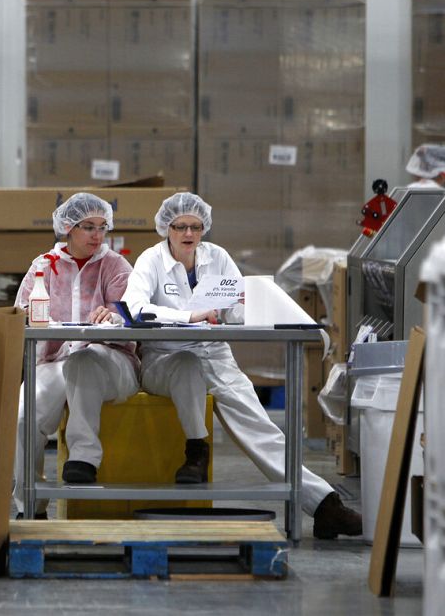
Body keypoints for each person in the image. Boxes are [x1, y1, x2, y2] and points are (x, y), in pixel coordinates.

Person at [122, 192, 362, 539]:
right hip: (167, 357)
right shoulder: (150, 261)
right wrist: (188, 315)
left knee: (260, 429)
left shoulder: (217, 257)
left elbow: (237, 305)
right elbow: (134, 306)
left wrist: (242, 306)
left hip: (215, 355)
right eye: (180, 226)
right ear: (166, 229)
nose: (189, 233)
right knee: (187, 365)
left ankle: (325, 505)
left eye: (196, 226)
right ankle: (196, 453)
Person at [12, 192, 140, 518]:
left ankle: (83, 458)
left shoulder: (115, 265)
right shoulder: (44, 265)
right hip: (55, 361)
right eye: (88, 227)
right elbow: (20, 312)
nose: (97, 236)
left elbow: (133, 311)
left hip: (110, 361)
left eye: (102, 227)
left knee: (84, 361)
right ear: (68, 227)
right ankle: (31, 508)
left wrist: (113, 316)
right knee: (24, 415)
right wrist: (44, 322)